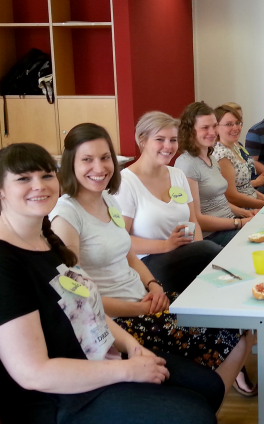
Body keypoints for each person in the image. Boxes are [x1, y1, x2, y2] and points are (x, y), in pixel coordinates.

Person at [0, 143, 224, 424]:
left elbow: (86, 310)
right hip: (58, 397)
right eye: (23, 178)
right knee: (194, 415)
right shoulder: (6, 262)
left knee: (209, 387)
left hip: (97, 356)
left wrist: (133, 347)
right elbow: (32, 372)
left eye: (46, 175)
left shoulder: (46, 239)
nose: (39, 185)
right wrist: (129, 370)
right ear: (1, 190)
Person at [50, 123, 257, 397]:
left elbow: (128, 253)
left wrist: (153, 284)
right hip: (118, 318)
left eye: (104, 158)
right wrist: (139, 309)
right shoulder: (67, 214)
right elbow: (76, 296)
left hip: (145, 300)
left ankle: (205, 403)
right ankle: (201, 400)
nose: (99, 168)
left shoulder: (108, 201)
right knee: (230, 337)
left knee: (241, 324)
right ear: (70, 164)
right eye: (87, 160)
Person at [113, 111, 222, 293]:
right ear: (142, 140)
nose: (168, 146)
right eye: (160, 139)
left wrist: (197, 249)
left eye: (173, 140)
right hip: (146, 265)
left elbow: (192, 221)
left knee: (207, 258)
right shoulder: (126, 182)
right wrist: (166, 246)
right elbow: (120, 241)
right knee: (210, 251)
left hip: (185, 256)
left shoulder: (177, 175)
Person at [175, 102, 256, 247]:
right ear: (190, 131)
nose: (212, 132)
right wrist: (239, 222)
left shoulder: (210, 157)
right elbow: (196, 218)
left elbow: (221, 202)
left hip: (229, 223)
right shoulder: (187, 164)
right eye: (205, 128)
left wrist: (245, 213)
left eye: (214, 126)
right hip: (212, 235)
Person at [213, 105, 264, 209]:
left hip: (253, 202)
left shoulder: (234, 146)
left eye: (237, 123)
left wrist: (261, 197)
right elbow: (232, 197)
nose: (235, 128)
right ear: (216, 127)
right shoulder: (222, 155)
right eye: (229, 124)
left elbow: (245, 187)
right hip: (243, 211)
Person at [220, 101, 264, 197]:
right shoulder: (222, 153)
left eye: (238, 120)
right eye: (230, 123)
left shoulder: (239, 146)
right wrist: (257, 182)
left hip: (255, 188)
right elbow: (233, 190)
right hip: (253, 189)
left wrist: (263, 178)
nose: (236, 126)